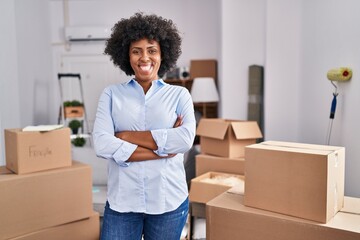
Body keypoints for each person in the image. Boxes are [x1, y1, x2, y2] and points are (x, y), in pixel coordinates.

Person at [92, 12, 196, 240]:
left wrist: (126, 135)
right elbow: (101, 143)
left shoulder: (180, 95)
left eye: (151, 50)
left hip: (168, 202)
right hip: (122, 203)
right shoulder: (111, 95)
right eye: (136, 51)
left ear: (163, 54)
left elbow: (185, 140)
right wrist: (162, 150)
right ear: (126, 56)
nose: (144, 58)